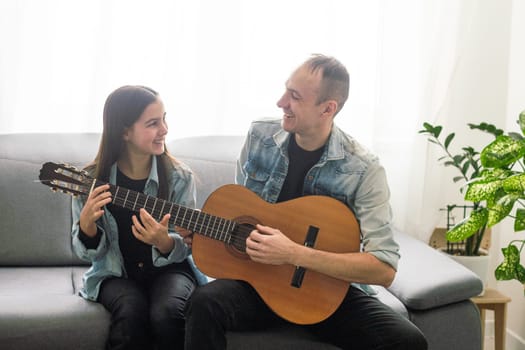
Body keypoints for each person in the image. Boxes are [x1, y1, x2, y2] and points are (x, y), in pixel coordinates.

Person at [183, 55, 428, 349]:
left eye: (294, 96)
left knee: (408, 341)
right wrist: (201, 233)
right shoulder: (260, 136)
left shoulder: (363, 168)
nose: (281, 102)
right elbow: (239, 209)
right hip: (256, 287)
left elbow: (384, 268)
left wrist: (294, 254)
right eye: (286, 90)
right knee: (204, 303)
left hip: (322, 294)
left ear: (328, 108)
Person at [71, 85, 206, 350]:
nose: (165, 129)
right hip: (115, 273)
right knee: (131, 313)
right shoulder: (89, 181)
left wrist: (165, 243)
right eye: (153, 123)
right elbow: (87, 256)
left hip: (170, 270)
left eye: (164, 118)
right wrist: (87, 228)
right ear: (124, 131)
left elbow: (189, 244)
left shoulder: (180, 178)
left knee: (167, 314)